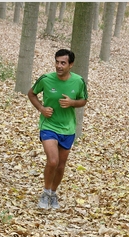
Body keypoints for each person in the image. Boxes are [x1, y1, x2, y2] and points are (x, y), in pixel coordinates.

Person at [28, 49, 88, 209]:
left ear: (71, 65)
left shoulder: (78, 81)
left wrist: (72, 103)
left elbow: (83, 100)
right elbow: (31, 94)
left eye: (63, 63)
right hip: (49, 125)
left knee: (61, 165)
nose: (59, 66)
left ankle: (53, 194)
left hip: (68, 128)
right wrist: (41, 108)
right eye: (57, 62)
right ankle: (45, 192)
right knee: (53, 161)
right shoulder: (46, 79)